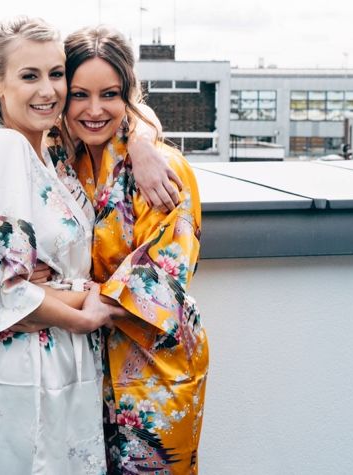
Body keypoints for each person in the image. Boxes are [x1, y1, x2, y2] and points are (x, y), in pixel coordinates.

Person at [0, 16, 125, 474]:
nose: (48, 90)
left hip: (65, 365)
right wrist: (85, 312)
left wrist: (145, 145)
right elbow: (3, 294)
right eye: (29, 76)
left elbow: (120, 108)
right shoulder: (5, 150)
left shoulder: (49, 155)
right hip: (31, 372)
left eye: (56, 74)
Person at [45, 26, 209, 474]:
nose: (95, 110)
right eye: (80, 94)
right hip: (84, 369)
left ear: (128, 96)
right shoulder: (61, 159)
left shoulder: (162, 167)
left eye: (110, 94)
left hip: (156, 372)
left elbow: (164, 275)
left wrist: (50, 297)